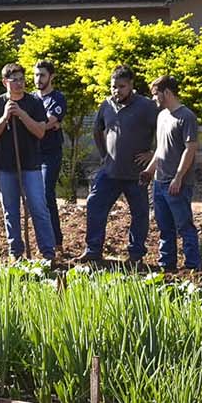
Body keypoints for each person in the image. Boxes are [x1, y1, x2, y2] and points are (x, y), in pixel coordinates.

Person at [81, 66, 155, 266]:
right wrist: (104, 154)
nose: (117, 91)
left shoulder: (147, 106)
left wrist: (152, 155)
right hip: (111, 171)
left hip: (136, 173)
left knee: (139, 213)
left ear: (131, 85)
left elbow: (164, 130)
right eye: (114, 87)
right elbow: (98, 129)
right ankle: (93, 250)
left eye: (121, 87)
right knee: (94, 204)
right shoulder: (107, 105)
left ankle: (136, 254)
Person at [0, 62, 57, 260]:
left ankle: (48, 252)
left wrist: (22, 114)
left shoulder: (33, 103)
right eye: (14, 80)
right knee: (11, 211)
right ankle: (15, 252)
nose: (19, 84)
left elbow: (40, 131)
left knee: (39, 208)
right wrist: (6, 116)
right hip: (5, 167)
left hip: (31, 165)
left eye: (22, 79)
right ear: (4, 82)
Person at [148, 72, 202, 271]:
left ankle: (192, 266)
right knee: (164, 228)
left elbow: (190, 148)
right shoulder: (162, 116)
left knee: (184, 226)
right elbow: (161, 149)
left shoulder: (186, 117)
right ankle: (167, 265)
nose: (154, 98)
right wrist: (148, 171)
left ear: (167, 92)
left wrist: (178, 177)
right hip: (159, 182)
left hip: (177, 183)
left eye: (156, 94)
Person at [30, 56, 69, 255]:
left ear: (51, 77)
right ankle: (41, 241)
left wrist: (45, 125)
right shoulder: (31, 98)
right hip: (32, 154)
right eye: (36, 75)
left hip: (50, 154)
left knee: (46, 195)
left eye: (42, 75)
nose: (38, 79)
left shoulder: (57, 99)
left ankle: (56, 241)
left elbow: (47, 123)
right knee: (33, 199)